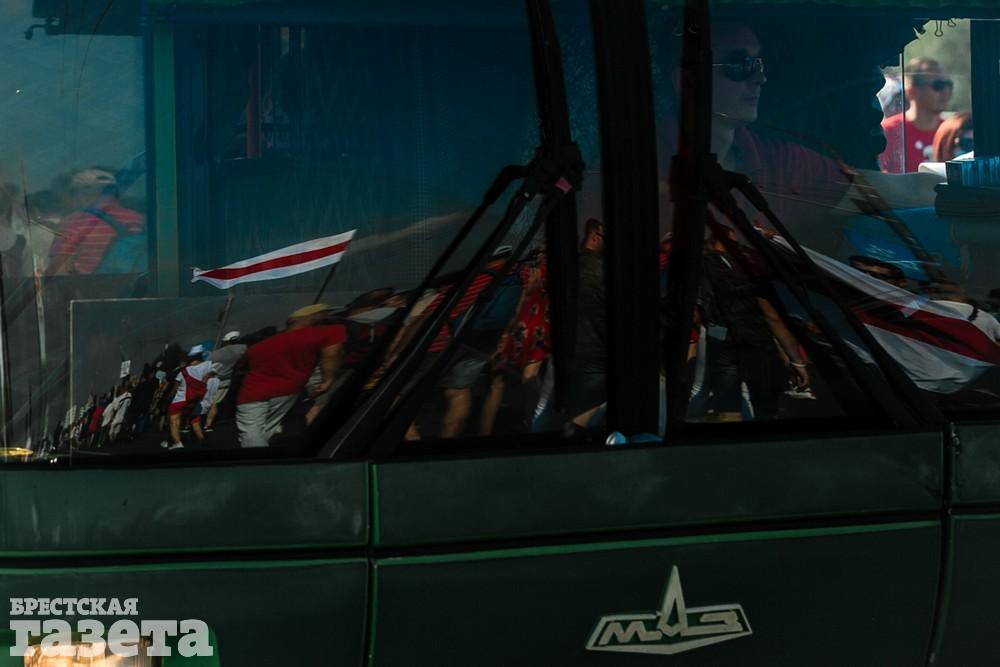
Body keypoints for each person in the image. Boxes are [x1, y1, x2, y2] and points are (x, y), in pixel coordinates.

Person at [236, 304, 346, 448]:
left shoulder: (258, 346)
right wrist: (328, 379)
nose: (328, 317)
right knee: (266, 428)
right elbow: (331, 355)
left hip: (252, 394)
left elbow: (243, 367)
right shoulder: (328, 332)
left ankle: (255, 458)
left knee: (252, 430)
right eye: (325, 314)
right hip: (287, 392)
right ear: (313, 317)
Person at [46, 168, 144, 276]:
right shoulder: (138, 219)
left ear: (87, 192)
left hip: (88, 285)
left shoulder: (74, 222)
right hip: (133, 284)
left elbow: (58, 271)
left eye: (74, 193)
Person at [879, 58, 953, 173]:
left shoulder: (951, 132)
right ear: (912, 90)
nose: (946, 92)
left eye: (949, 85)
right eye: (938, 85)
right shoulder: (889, 132)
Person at [160, 345, 217, 451]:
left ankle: (177, 443)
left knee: (174, 421)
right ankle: (202, 439)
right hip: (195, 400)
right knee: (195, 420)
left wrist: (169, 398)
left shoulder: (184, 371)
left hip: (180, 400)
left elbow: (175, 388)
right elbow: (215, 372)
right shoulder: (208, 365)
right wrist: (205, 379)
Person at [204, 330, 247, 430]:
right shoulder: (243, 349)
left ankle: (202, 422)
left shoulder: (215, 354)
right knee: (215, 403)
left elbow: (207, 367)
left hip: (213, 380)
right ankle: (208, 424)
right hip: (226, 381)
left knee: (208, 402)